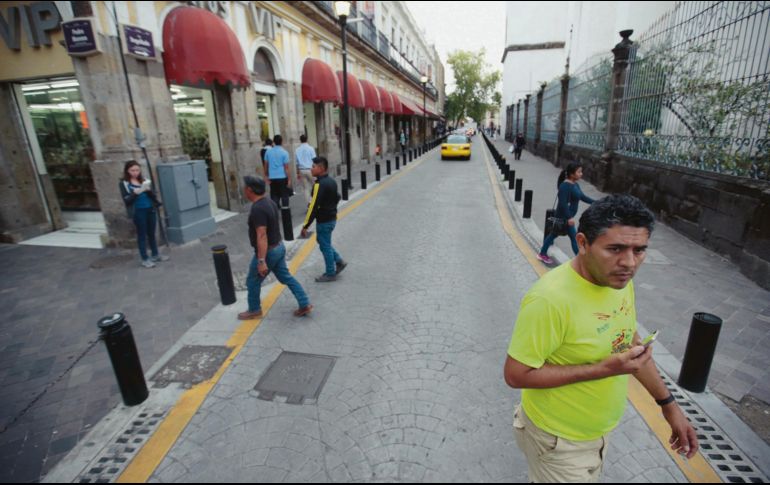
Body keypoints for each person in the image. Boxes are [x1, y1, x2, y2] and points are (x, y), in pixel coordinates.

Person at [504, 194, 698, 483]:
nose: (629, 263)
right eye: (615, 249)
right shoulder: (549, 300)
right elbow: (515, 374)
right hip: (558, 442)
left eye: (639, 250)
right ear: (582, 243)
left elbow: (630, 344)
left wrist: (669, 406)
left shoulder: (619, 282)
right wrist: (604, 369)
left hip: (598, 432)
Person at [239, 176, 312, 320]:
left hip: (269, 252)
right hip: (278, 247)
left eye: (244, 187)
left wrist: (261, 261)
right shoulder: (270, 202)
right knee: (286, 277)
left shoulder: (258, 209)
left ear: (250, 190)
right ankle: (304, 303)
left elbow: (262, 235)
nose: (243, 190)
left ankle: (254, 310)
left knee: (252, 281)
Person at [538, 162, 595, 265]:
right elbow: (562, 204)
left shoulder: (575, 184)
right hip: (563, 217)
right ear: (572, 174)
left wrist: (595, 202)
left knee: (555, 235)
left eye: (581, 171)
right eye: (579, 172)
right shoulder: (564, 186)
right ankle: (581, 261)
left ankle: (542, 253)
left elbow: (582, 197)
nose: (581, 174)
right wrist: (569, 218)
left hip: (567, 217)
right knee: (572, 237)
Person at [301, 157, 347, 282]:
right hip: (331, 218)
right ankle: (339, 261)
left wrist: (305, 226)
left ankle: (330, 273)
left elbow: (313, 206)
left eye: (313, 166)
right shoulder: (332, 181)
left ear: (321, 168)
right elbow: (337, 196)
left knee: (325, 245)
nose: (311, 169)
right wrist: (330, 207)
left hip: (324, 221)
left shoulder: (319, 185)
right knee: (323, 242)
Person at [120, 161, 168, 268]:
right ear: (127, 171)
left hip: (150, 209)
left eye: (137, 170)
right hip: (138, 211)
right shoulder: (124, 183)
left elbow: (153, 196)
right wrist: (134, 193)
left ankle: (155, 255)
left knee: (151, 233)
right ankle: (145, 259)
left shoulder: (144, 180)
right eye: (132, 170)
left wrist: (149, 190)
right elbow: (127, 200)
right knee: (142, 235)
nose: (135, 172)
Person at [264, 134, 293, 207]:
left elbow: (266, 165)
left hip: (272, 177)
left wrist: (266, 176)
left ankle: (274, 210)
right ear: (282, 142)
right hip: (282, 176)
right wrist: (289, 179)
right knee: (284, 195)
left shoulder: (268, 152)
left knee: (274, 195)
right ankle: (285, 211)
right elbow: (286, 168)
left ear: (273, 142)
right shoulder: (284, 152)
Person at [295, 134, 316, 200]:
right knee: (315, 185)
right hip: (310, 169)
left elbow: (296, 163)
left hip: (301, 170)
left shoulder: (297, 149)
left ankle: (309, 202)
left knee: (306, 188)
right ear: (307, 139)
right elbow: (314, 160)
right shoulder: (311, 148)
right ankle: (315, 200)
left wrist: (297, 173)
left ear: (300, 140)